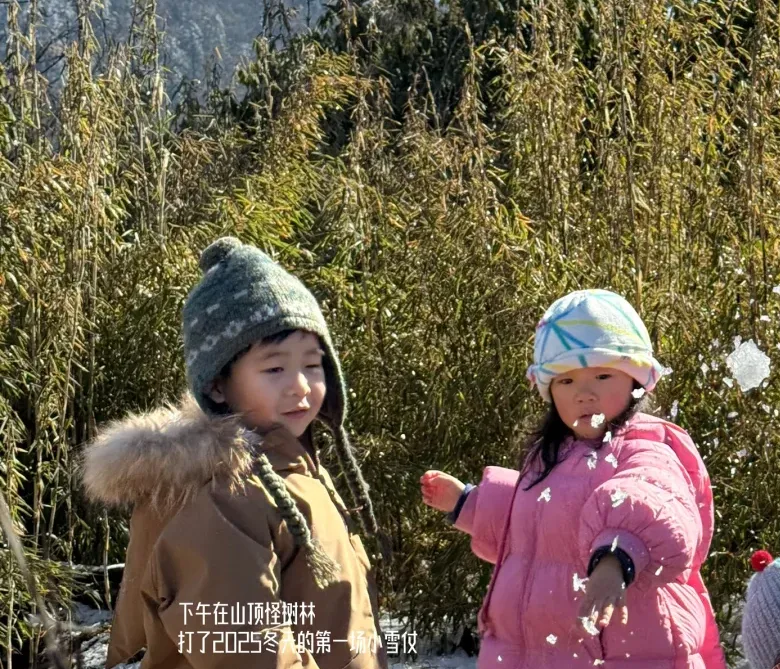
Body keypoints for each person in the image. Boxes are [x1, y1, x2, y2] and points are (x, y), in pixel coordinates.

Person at [82, 236, 387, 668]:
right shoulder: (222, 494)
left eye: (312, 364)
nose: (300, 385)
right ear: (217, 385)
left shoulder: (295, 470)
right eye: (275, 367)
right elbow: (246, 648)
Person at [421, 289, 727, 668]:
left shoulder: (644, 447)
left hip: (624, 652)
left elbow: (653, 500)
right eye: (566, 382)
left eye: (601, 375)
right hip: (538, 653)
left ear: (634, 380)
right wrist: (471, 503)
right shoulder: (549, 457)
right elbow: (540, 531)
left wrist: (615, 559)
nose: (584, 394)